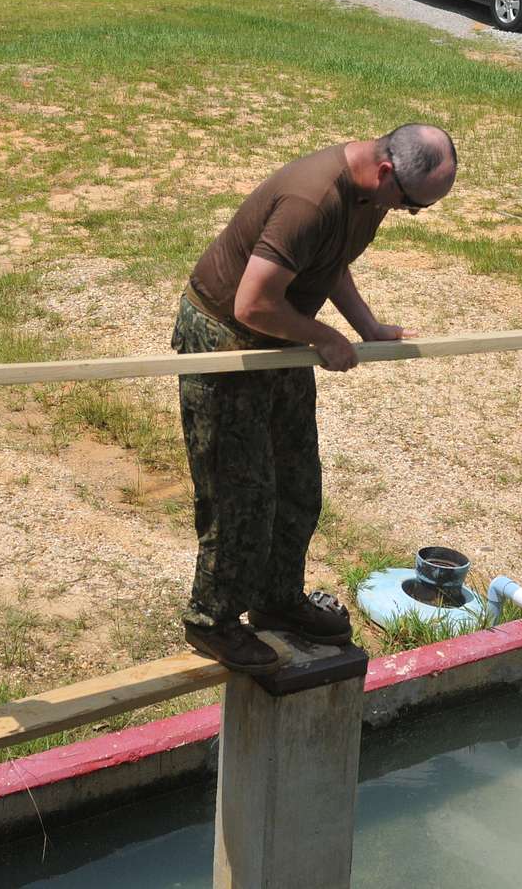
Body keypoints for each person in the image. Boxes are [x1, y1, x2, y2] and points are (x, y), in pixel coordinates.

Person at [172, 124, 457, 673]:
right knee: (241, 493)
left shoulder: (370, 194)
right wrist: (323, 336)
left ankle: (277, 601)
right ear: (387, 171)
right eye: (412, 205)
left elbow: (328, 264)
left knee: (298, 482)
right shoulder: (312, 200)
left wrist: (366, 325)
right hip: (226, 339)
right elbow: (253, 305)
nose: (407, 213)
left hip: (280, 336)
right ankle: (212, 622)